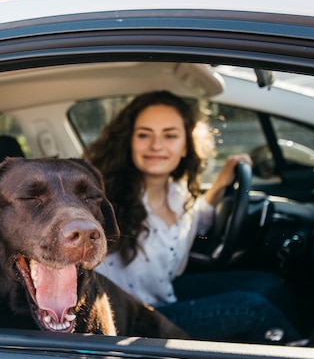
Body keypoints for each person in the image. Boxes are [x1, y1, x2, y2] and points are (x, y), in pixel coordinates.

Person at [83, 90, 301, 344]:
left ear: (185, 145)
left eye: (170, 135)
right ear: (129, 142)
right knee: (252, 309)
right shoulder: (103, 203)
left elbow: (196, 223)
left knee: (269, 284)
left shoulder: (178, 194)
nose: (156, 145)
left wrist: (220, 185)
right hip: (129, 319)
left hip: (162, 295)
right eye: (144, 135)